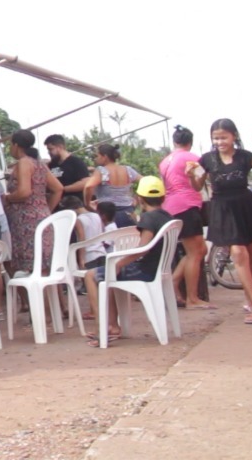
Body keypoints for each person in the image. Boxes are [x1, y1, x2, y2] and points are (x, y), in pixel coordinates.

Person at [186, 119, 252, 325]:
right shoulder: (207, 159)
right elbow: (197, 186)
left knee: (251, 257)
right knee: (239, 254)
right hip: (223, 210)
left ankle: (250, 300)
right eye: (216, 138)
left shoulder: (246, 157)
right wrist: (190, 176)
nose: (220, 141)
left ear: (234, 136)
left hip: (246, 208)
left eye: (224, 137)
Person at [87, 176, 175, 346]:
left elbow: (143, 248)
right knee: (107, 275)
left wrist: (120, 263)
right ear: (163, 197)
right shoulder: (167, 216)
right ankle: (112, 325)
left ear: (139, 198)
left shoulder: (149, 218)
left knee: (91, 275)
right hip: (159, 268)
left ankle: (102, 328)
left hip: (145, 270)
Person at [159, 125, 213, 310]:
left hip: (170, 206)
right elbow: (201, 180)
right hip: (187, 205)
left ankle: (175, 282)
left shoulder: (165, 161)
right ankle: (192, 298)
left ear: (174, 142)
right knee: (196, 252)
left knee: (199, 250)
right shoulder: (191, 158)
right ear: (190, 142)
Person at [4, 130, 64, 275]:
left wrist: (7, 198)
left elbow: (24, 192)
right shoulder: (38, 163)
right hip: (41, 218)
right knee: (43, 267)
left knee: (31, 268)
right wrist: (44, 210)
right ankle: (47, 298)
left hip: (26, 223)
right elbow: (58, 188)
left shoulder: (24, 163)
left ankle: (33, 298)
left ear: (16, 145)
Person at [73, 198, 115, 319]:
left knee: (91, 284)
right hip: (101, 252)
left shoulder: (79, 219)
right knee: (102, 283)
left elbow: (81, 238)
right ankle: (106, 310)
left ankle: (94, 311)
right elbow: (102, 232)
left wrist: (81, 258)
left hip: (90, 254)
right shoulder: (96, 216)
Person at [83, 144, 141, 227]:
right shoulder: (128, 170)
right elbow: (147, 181)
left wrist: (87, 204)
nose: (95, 159)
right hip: (128, 213)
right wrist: (136, 199)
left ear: (105, 156)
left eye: (97, 156)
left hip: (108, 215)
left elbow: (88, 186)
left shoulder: (102, 171)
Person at [45, 134, 90, 207]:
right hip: (56, 207)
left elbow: (85, 182)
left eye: (51, 149)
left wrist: (62, 189)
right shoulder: (52, 164)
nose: (49, 152)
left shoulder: (76, 162)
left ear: (60, 147)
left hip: (74, 206)